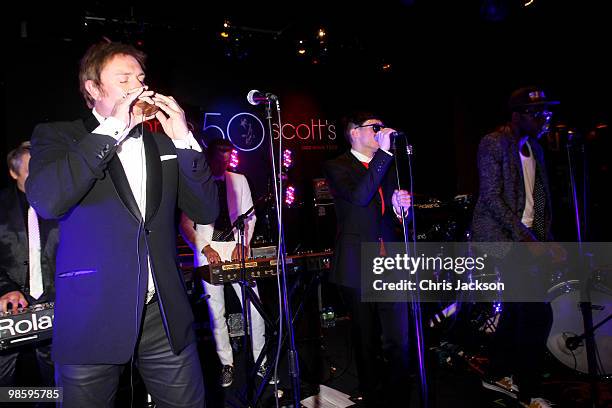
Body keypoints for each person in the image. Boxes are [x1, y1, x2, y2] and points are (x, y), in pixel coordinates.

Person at [25, 41, 218, 408]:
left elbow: (206, 210)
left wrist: (184, 139)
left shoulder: (160, 141)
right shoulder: (60, 136)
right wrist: (114, 127)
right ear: (93, 89)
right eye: (124, 78)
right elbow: (47, 200)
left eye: (141, 78)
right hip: (92, 315)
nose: (139, 86)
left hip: (162, 314)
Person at [471, 86, 560, 408]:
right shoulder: (493, 143)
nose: (544, 119)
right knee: (537, 314)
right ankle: (529, 391)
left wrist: (546, 242)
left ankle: (497, 372)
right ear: (517, 116)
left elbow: (538, 203)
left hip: (526, 241)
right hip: (499, 240)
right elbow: (492, 198)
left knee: (517, 311)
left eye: (547, 112)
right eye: (537, 113)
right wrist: (528, 240)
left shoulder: (534, 148)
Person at [323, 112, 412, 408]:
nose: (380, 131)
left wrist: (400, 209)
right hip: (357, 263)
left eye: (381, 127)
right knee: (366, 338)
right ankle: (373, 395)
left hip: (389, 261)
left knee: (398, 338)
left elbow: (387, 213)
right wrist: (384, 154)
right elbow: (360, 197)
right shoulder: (338, 166)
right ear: (354, 133)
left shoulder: (386, 165)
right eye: (374, 128)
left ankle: (399, 396)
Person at [180, 138, 272, 388]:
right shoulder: (196, 183)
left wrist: (243, 244)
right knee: (216, 312)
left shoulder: (239, 180)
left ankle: (261, 359)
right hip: (208, 249)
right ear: (210, 156)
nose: (224, 159)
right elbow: (186, 224)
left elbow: (249, 217)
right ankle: (226, 364)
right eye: (220, 154)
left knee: (254, 307)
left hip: (237, 248)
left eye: (228, 154)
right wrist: (205, 247)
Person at [0, 141, 58, 387]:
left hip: (58, 305)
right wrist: (4, 288)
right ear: (14, 172)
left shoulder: (63, 203)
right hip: (8, 308)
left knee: (58, 383)